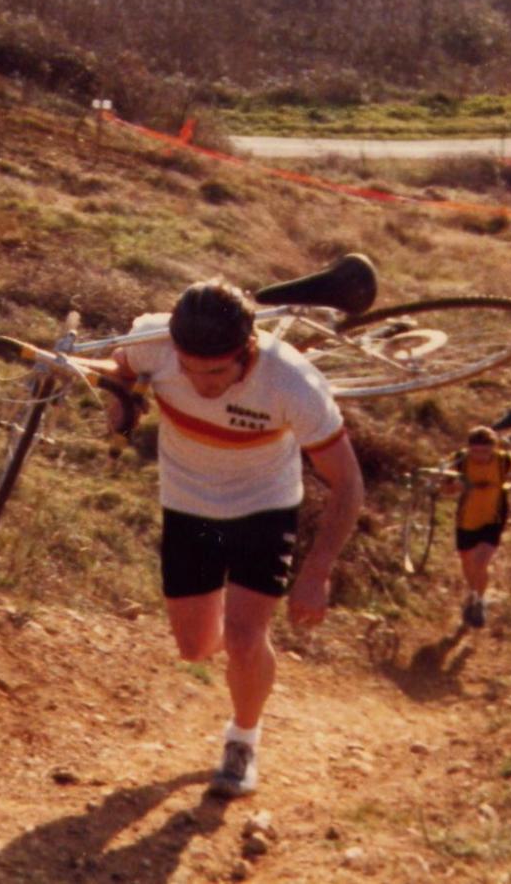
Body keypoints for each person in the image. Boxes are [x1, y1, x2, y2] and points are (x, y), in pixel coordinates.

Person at [100, 280, 363, 798]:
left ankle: (243, 737)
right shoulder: (153, 340)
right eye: (189, 369)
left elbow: (349, 483)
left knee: (243, 637)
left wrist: (316, 572)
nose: (201, 385)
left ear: (246, 351)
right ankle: (244, 648)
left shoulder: (291, 382)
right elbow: (120, 371)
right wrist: (122, 407)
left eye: (216, 372)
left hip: (263, 508)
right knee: (196, 648)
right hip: (187, 505)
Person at [440, 426, 511, 629]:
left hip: (493, 518)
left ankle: (479, 601)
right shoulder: (459, 460)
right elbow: (443, 489)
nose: (480, 456)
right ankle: (473, 594)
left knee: (480, 562)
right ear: (468, 448)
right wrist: (457, 487)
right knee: (468, 566)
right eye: (475, 451)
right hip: (466, 521)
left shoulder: (504, 460)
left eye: (485, 451)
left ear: (493, 448)